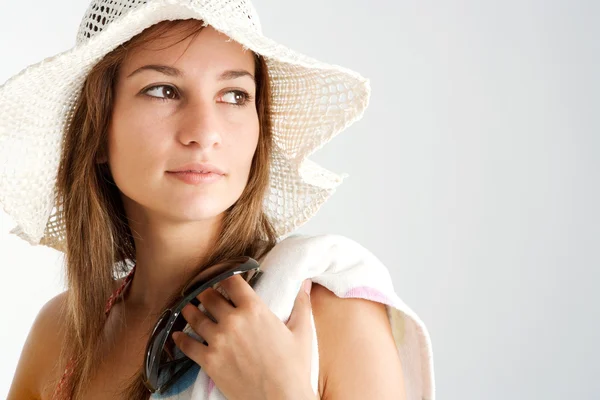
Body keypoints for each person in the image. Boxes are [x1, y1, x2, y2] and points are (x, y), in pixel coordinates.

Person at [1, 1, 435, 399]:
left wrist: (279, 391)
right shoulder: (63, 335)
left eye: (234, 95)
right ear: (97, 129)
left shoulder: (330, 315)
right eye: (162, 90)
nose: (204, 132)